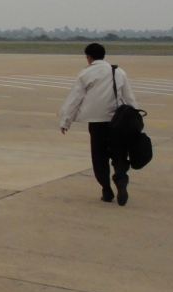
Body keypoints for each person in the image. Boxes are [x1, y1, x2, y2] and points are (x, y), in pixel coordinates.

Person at [59, 43, 138, 205]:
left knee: (99, 156)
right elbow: (128, 97)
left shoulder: (86, 73)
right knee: (119, 152)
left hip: (96, 123)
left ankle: (106, 189)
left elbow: (75, 98)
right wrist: (135, 118)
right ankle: (121, 178)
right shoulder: (118, 72)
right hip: (117, 121)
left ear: (89, 57)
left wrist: (66, 121)